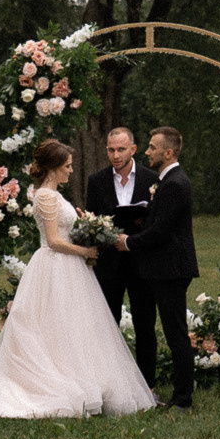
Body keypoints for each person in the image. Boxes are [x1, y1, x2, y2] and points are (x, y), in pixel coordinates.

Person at [0, 139, 156, 419]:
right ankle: (55, 381)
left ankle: (84, 379)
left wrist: (87, 228)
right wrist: (85, 250)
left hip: (69, 267)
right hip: (55, 265)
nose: (71, 171)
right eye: (67, 166)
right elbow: (52, 241)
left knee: (74, 326)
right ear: (53, 168)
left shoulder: (55, 194)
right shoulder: (46, 196)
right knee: (54, 325)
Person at [113, 125, 197, 410]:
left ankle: (183, 398)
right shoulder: (167, 180)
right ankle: (181, 394)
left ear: (168, 152)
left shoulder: (174, 183)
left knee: (176, 335)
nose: (147, 151)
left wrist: (129, 243)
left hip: (171, 269)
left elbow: (161, 231)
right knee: (174, 332)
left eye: (152, 147)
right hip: (165, 268)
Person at [81, 126, 154, 361]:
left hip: (141, 261)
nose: (116, 155)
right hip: (109, 263)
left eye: (121, 149)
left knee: (145, 324)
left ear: (133, 149)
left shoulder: (152, 179)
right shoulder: (97, 181)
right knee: (105, 324)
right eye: (111, 150)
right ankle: (107, 381)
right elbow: (92, 218)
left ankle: (148, 384)